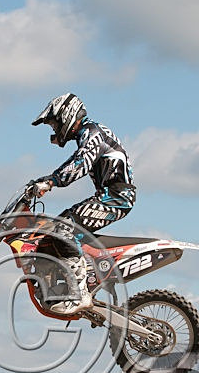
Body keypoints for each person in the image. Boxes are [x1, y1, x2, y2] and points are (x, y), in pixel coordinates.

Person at [29, 93, 135, 315]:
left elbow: (81, 162)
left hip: (116, 197)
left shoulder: (92, 133)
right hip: (109, 195)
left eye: (54, 123)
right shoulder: (88, 133)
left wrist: (51, 180)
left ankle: (80, 293)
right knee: (52, 232)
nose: (54, 129)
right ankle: (60, 288)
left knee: (64, 227)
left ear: (67, 116)